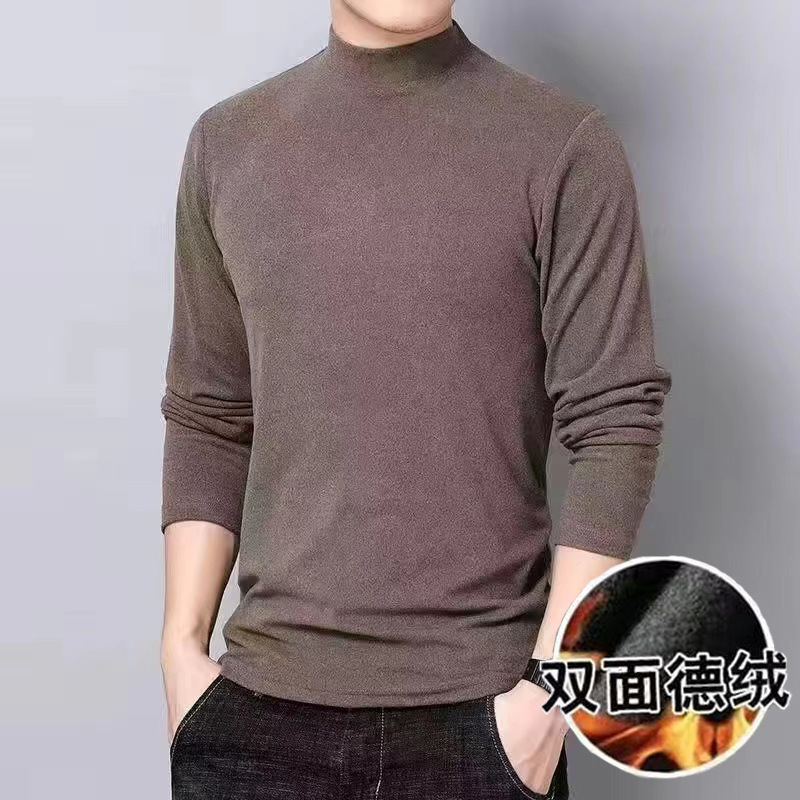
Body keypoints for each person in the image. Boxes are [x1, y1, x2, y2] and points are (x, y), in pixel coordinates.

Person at [159, 1, 672, 797]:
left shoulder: (562, 144)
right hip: (257, 722)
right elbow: (209, 412)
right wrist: (181, 650)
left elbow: (616, 420)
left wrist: (547, 702)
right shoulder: (229, 144)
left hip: (485, 722)